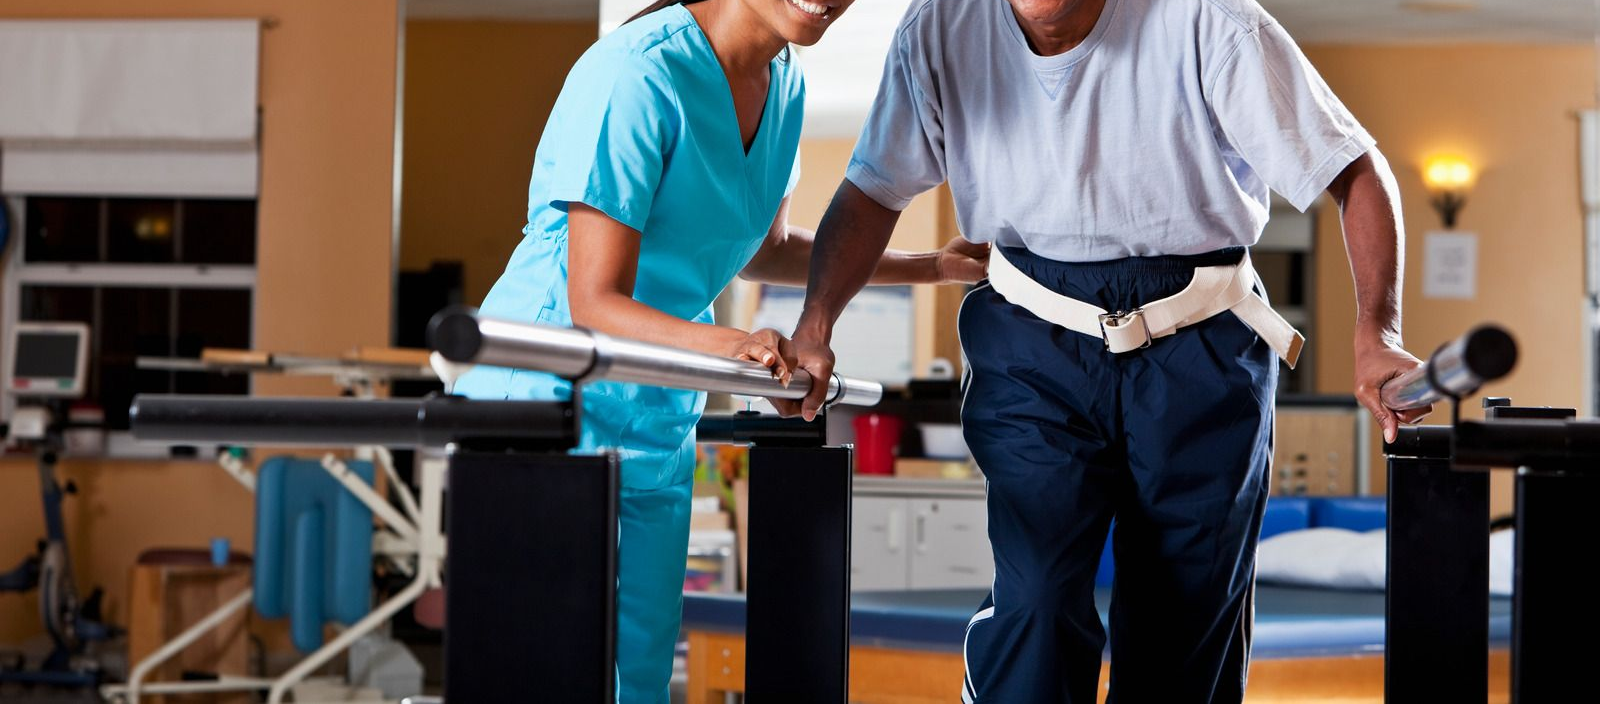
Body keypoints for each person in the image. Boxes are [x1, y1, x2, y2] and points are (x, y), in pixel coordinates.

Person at [782, 0, 1431, 701]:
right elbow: (872, 190)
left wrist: (1378, 332)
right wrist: (816, 325)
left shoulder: (1209, 21)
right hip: (1034, 342)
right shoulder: (941, 26)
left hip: (1202, 342)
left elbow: (1353, 168)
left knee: (1185, 616)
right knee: (1037, 597)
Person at [452, 0, 986, 701]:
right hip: (546, 399)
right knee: (548, 676)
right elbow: (595, 298)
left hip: (654, 408)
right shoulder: (637, 72)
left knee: (638, 680)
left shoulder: (786, 84)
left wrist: (930, 266)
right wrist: (741, 347)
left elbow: (765, 250)